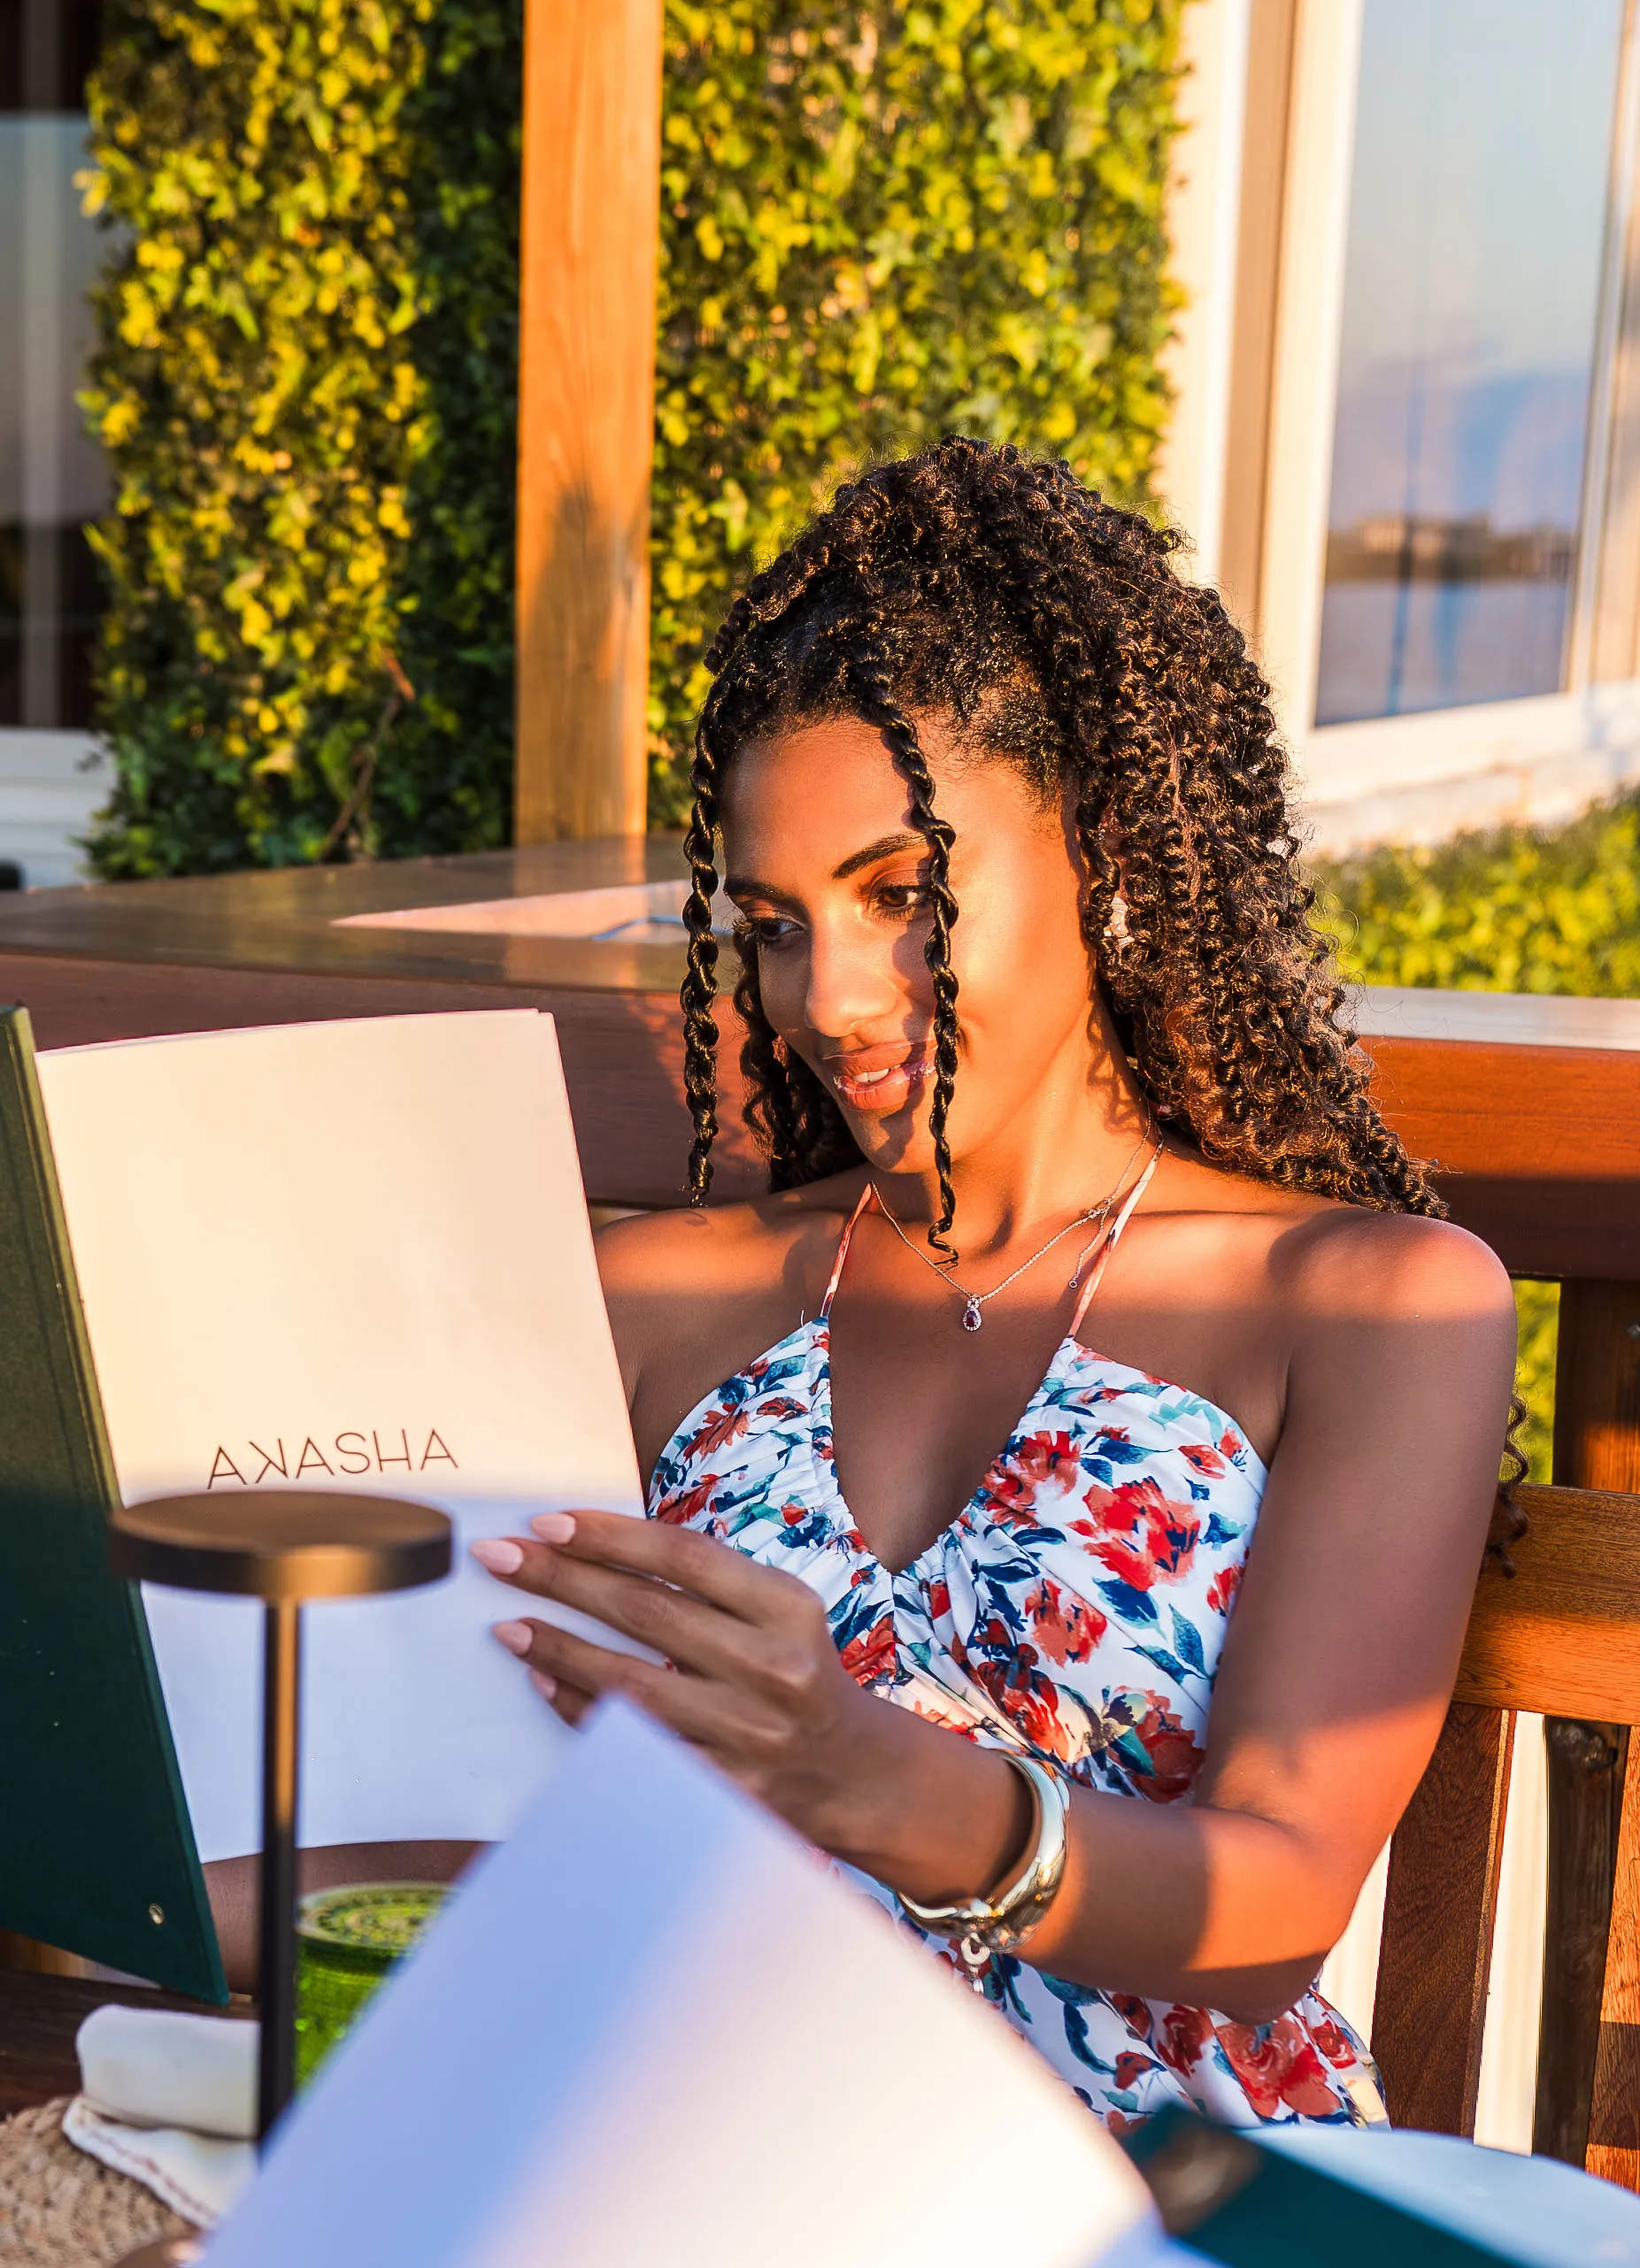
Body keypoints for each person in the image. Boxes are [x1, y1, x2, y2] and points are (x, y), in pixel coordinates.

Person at [474, 439, 1518, 2133]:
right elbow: (462, 1777)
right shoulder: (657, 1298)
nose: (830, 997)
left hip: (1153, 2202)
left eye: (902, 894)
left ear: (1102, 846)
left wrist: (861, 1771)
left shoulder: (1372, 1305)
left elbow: (1274, 1905)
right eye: (778, 923)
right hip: (700, 2151)